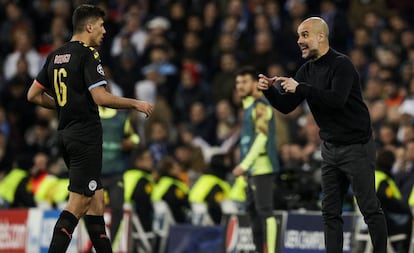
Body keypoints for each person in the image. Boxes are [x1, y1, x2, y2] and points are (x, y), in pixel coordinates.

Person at [26, 4, 153, 253]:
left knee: (96, 202)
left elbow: (33, 95)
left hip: (65, 135)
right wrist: (135, 103)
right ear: (89, 26)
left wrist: (63, 107)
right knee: (79, 202)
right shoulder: (88, 54)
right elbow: (101, 97)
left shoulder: (55, 55)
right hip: (85, 137)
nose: (105, 31)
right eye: (102, 26)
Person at [257, 17, 388, 253]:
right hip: (330, 149)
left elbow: (336, 100)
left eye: (305, 35)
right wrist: (270, 92)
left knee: (369, 208)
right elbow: (287, 107)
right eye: (298, 36)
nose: (299, 41)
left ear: (321, 36)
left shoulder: (342, 65)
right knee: (329, 211)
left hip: (356, 147)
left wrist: (301, 88)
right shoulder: (306, 70)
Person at [232, 66, 280, 253]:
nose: (239, 86)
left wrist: (244, 165)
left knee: (265, 212)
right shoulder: (248, 107)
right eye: (237, 83)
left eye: (244, 82)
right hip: (252, 170)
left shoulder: (261, 105)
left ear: (254, 83)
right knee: (253, 214)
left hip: (263, 167)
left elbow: (262, 137)